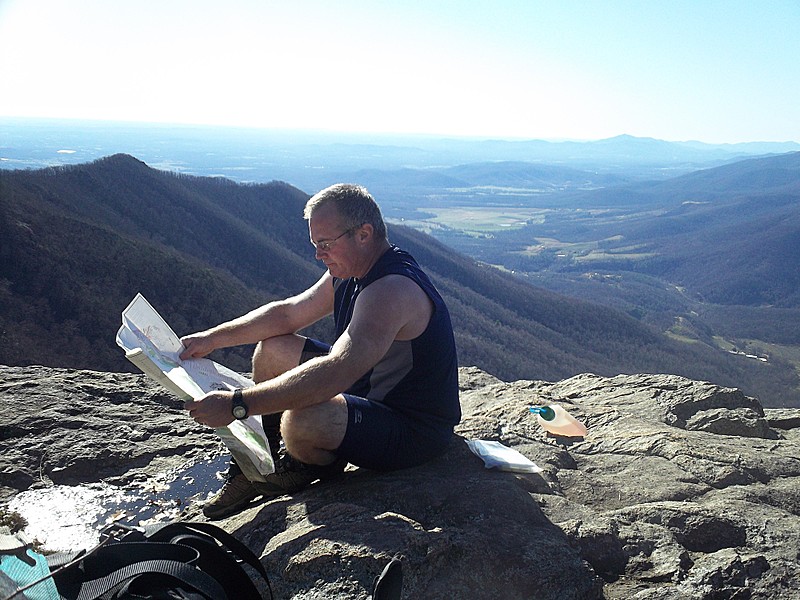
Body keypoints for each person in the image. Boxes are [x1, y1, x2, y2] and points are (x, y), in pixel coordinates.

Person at [181, 183, 461, 519]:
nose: (318, 254)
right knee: (273, 350)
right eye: (316, 244)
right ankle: (256, 463)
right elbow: (287, 314)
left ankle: (308, 466)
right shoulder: (353, 270)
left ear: (363, 234)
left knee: (303, 420)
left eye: (325, 244)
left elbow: (336, 371)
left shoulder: (391, 290)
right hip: (368, 390)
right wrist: (212, 339)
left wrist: (238, 405)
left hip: (412, 428)